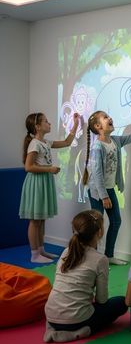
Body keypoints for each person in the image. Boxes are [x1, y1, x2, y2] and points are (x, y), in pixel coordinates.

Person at [44, 210, 127, 343]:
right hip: (76, 321)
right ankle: (79, 332)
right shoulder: (100, 259)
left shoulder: (66, 251)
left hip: (51, 316)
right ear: (99, 232)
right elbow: (102, 300)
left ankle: (54, 328)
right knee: (122, 302)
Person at [82, 104, 131, 265]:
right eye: (105, 117)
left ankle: (109, 255)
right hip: (97, 192)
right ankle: (93, 258)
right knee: (96, 226)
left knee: (116, 221)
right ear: (98, 127)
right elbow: (97, 174)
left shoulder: (115, 141)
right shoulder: (97, 147)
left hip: (109, 189)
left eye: (108, 116)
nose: (110, 118)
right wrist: (104, 196)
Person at [19, 112, 79, 263]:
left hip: (44, 181)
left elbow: (66, 142)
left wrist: (76, 124)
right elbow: (28, 167)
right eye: (46, 121)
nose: (49, 123)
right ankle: (34, 254)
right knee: (35, 220)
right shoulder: (34, 144)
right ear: (37, 127)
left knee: (41, 219)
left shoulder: (45, 142)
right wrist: (49, 169)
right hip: (36, 182)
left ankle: (41, 250)